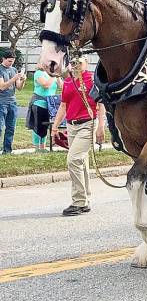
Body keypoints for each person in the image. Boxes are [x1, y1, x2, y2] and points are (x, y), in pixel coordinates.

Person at [51, 57, 106, 216]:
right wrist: (55, 127)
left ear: (86, 63)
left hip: (87, 124)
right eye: (73, 62)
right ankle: (85, 199)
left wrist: (101, 126)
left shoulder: (91, 80)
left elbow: (100, 103)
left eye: (79, 62)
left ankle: (79, 201)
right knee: (81, 161)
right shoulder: (68, 82)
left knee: (73, 159)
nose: (76, 65)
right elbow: (63, 105)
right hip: (71, 124)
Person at [26, 58, 61, 152]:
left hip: (50, 104)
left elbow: (61, 86)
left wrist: (58, 76)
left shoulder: (53, 75)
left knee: (46, 125)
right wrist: (54, 76)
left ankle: (43, 147)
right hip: (39, 103)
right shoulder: (39, 73)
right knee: (38, 125)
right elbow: (45, 85)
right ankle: (37, 147)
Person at [0, 49, 26, 155]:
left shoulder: (14, 70)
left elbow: (19, 87)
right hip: (2, 102)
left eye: (13, 61)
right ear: (3, 59)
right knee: (0, 127)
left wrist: (22, 79)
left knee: (11, 128)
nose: (11, 63)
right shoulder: (0, 70)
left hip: (13, 102)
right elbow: (2, 87)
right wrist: (14, 78)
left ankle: (7, 150)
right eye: (9, 61)